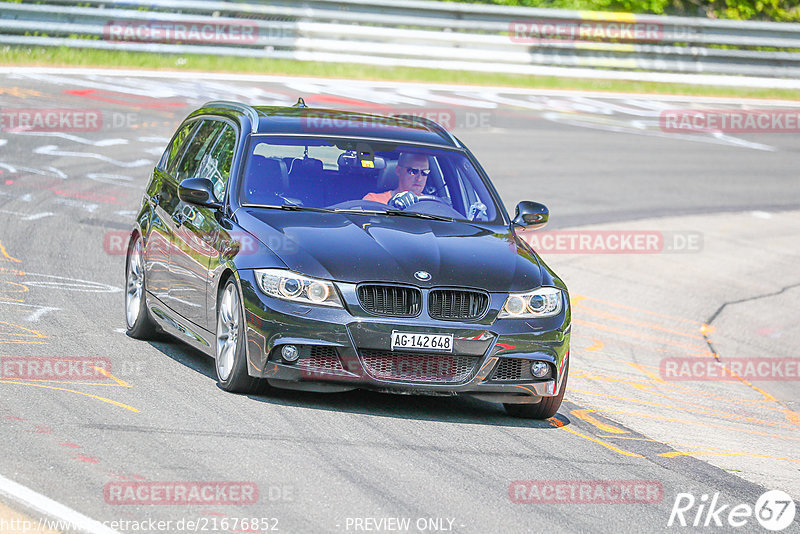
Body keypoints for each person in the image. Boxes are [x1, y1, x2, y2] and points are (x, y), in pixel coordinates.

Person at [363, 152, 430, 208]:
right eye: (413, 172)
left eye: (424, 172)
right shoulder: (374, 201)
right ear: (398, 170)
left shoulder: (430, 204)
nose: (419, 179)